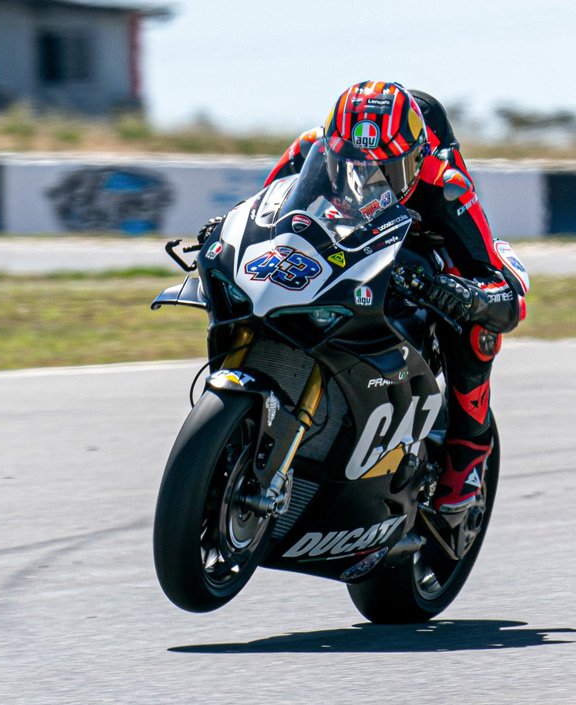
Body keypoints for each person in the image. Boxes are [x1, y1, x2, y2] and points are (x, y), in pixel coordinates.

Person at [202, 81, 528, 513]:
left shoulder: (446, 184)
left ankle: (468, 453)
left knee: (476, 329)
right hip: (342, 247)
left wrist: (461, 296)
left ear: (414, 159)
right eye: (350, 165)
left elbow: (504, 291)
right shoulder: (308, 149)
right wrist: (223, 229)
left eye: (385, 171)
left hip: (421, 259)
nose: (366, 179)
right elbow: (265, 211)